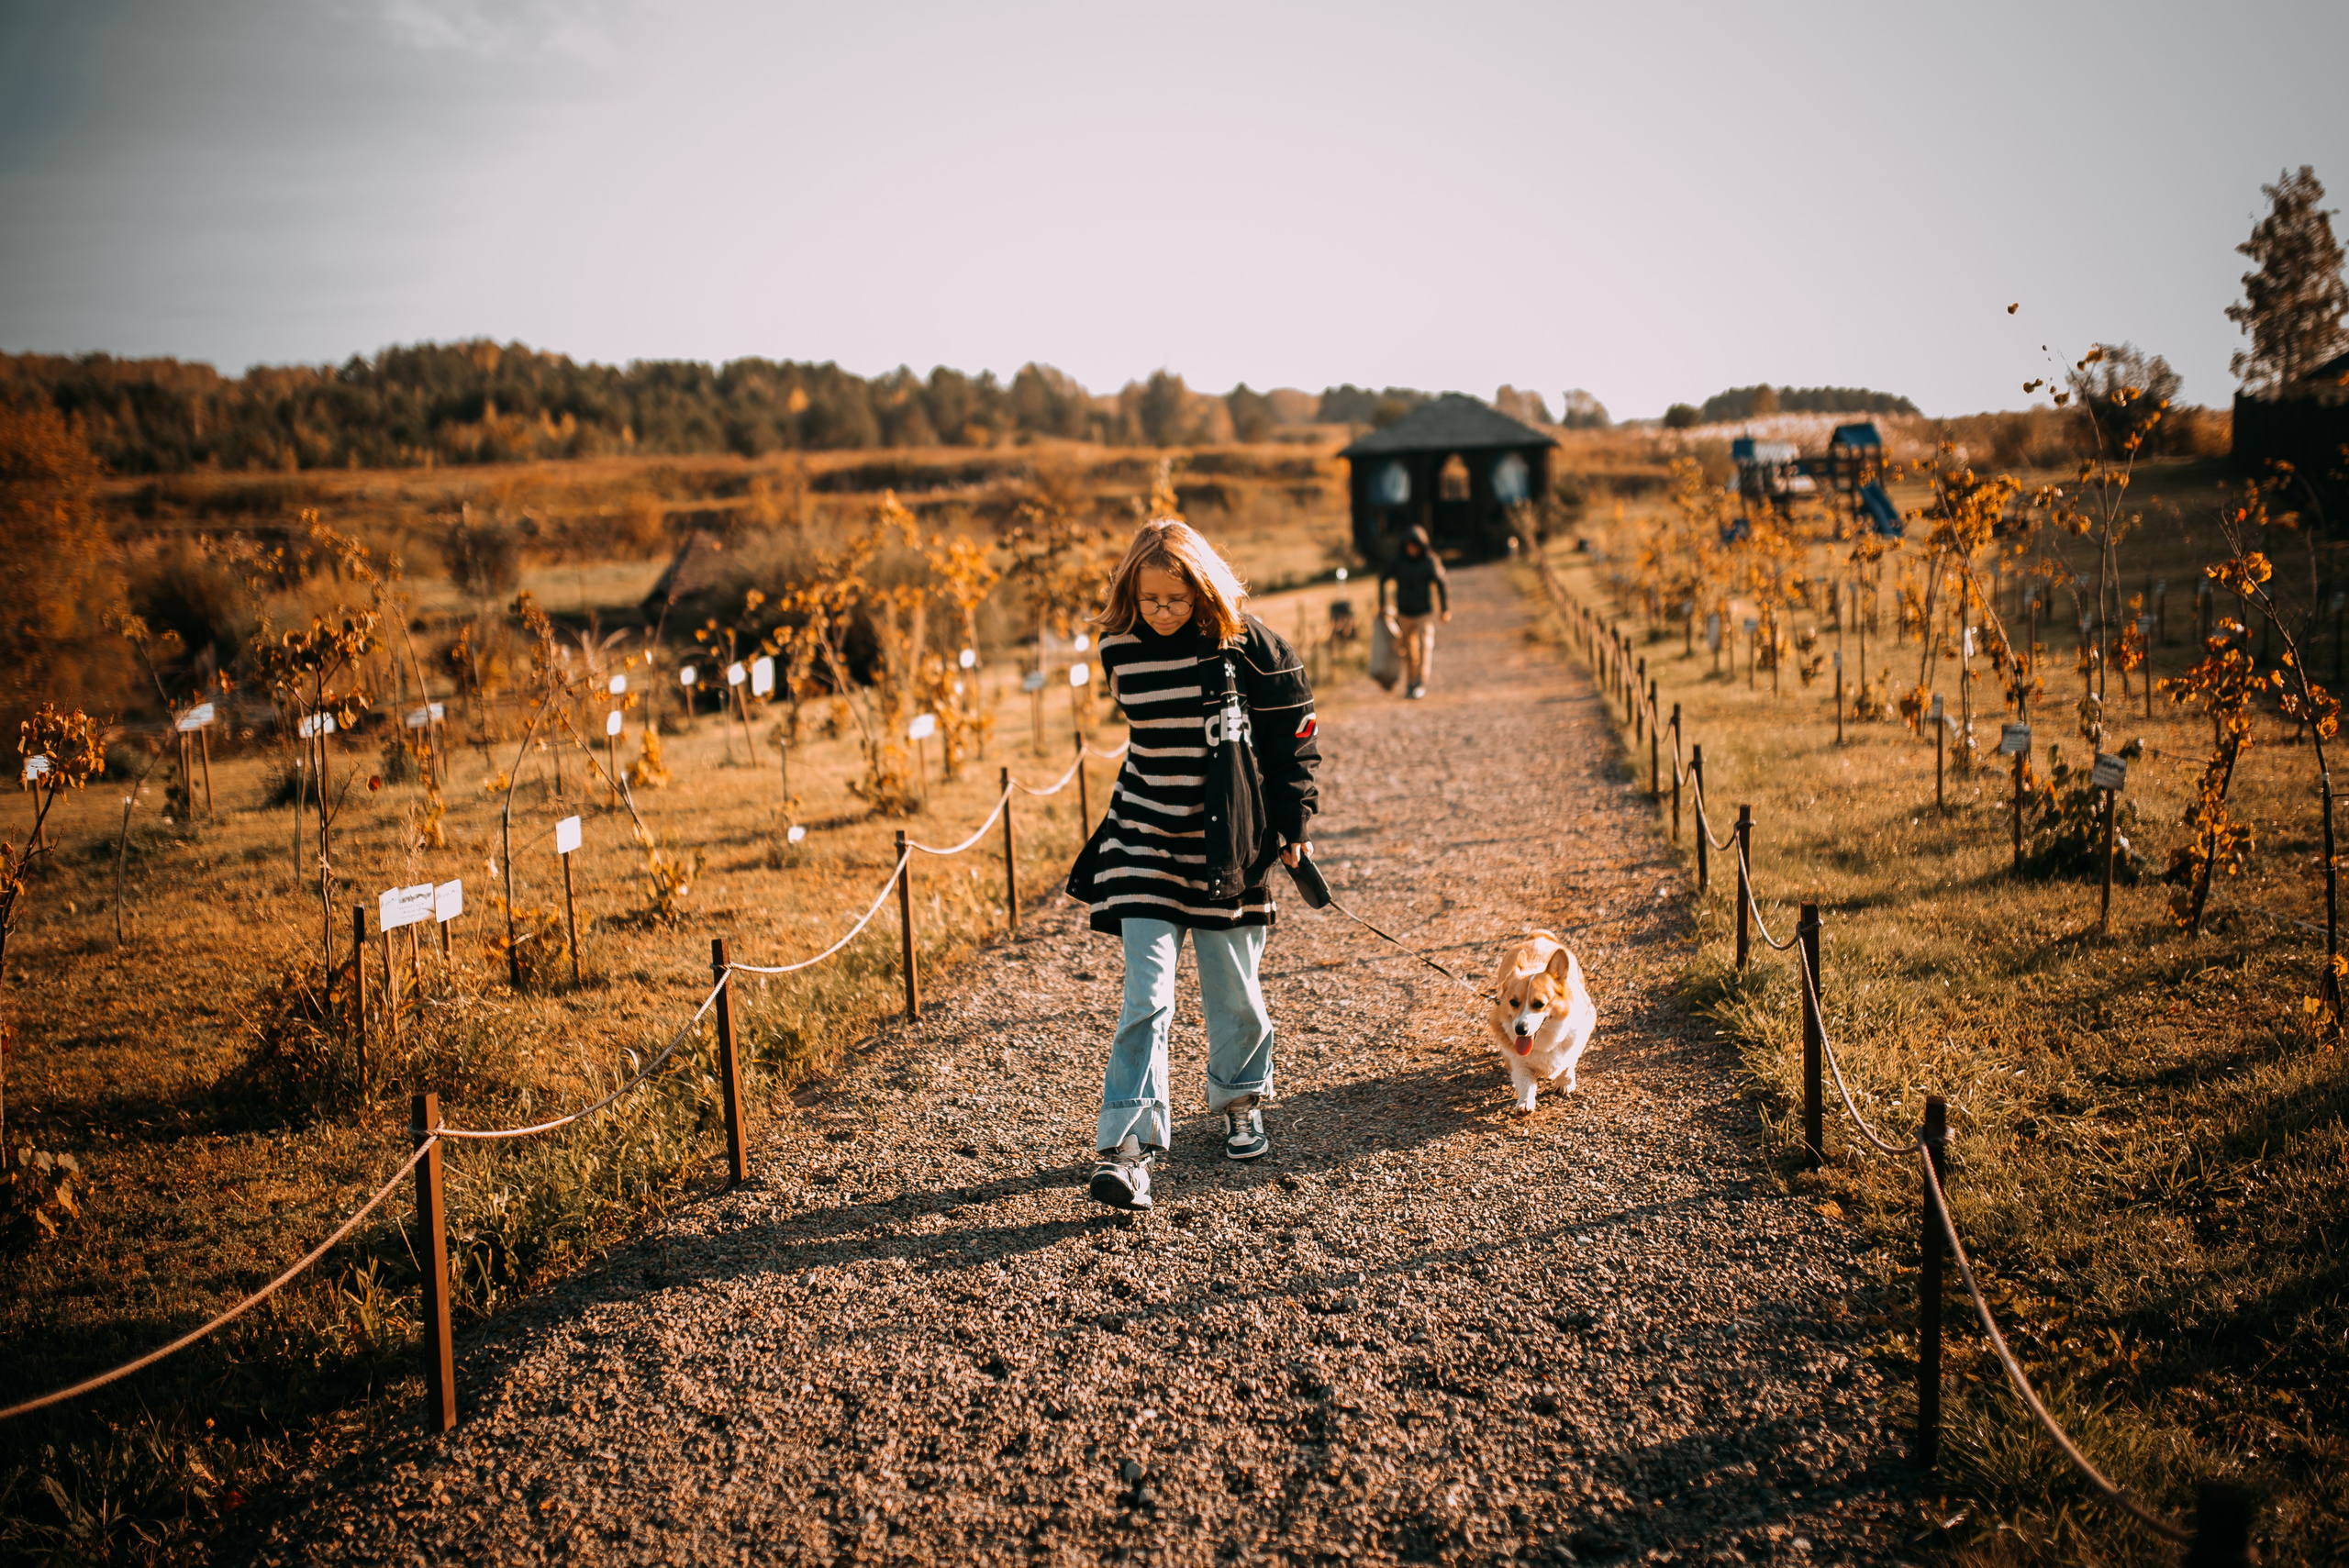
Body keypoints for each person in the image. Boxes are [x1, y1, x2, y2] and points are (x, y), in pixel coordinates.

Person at [1066, 519, 1319, 1210]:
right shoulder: (1118, 649)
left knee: (1232, 988)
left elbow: (1293, 735)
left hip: (1226, 844)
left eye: (1176, 599)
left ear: (1202, 586)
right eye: (1151, 600)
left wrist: (1292, 820)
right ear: (1132, 592)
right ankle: (1128, 1150)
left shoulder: (1248, 647)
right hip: (1143, 837)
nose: (1164, 612)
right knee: (1145, 998)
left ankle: (1240, 1099)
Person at [1377, 524, 1451, 699]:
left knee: (1425, 646)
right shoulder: (1398, 561)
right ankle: (1411, 681)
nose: (1412, 549)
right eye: (1409, 546)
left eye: (1415, 546)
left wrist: (1444, 608)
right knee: (1409, 650)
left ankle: (1421, 681)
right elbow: (1382, 579)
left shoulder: (1429, 561)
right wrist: (1383, 603)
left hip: (1424, 612)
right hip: (1404, 613)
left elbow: (1442, 583)